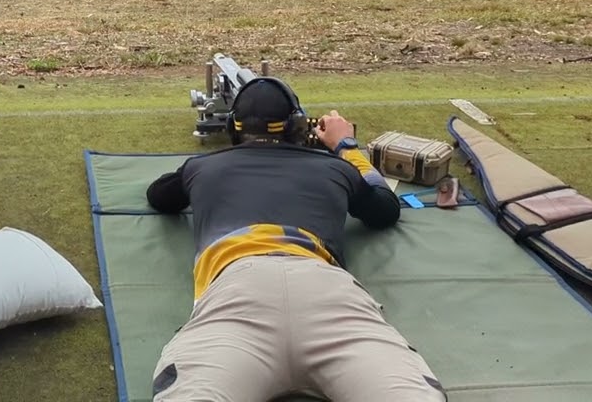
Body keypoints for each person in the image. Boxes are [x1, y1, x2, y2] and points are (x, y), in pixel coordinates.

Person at [146, 77, 447, 402]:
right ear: (299, 126)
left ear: (234, 128)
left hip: (236, 294)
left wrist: (201, 174)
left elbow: (159, 195)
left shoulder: (202, 167)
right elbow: (385, 208)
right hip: (327, 292)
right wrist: (347, 147)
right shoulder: (334, 167)